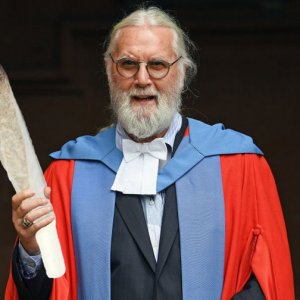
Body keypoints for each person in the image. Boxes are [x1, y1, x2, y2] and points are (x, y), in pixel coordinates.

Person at [5, 6, 294, 300]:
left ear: (182, 72)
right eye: (128, 64)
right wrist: (32, 250)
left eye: (157, 65)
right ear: (109, 71)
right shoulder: (68, 175)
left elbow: (266, 281)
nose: (142, 79)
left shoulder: (239, 165)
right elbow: (46, 290)